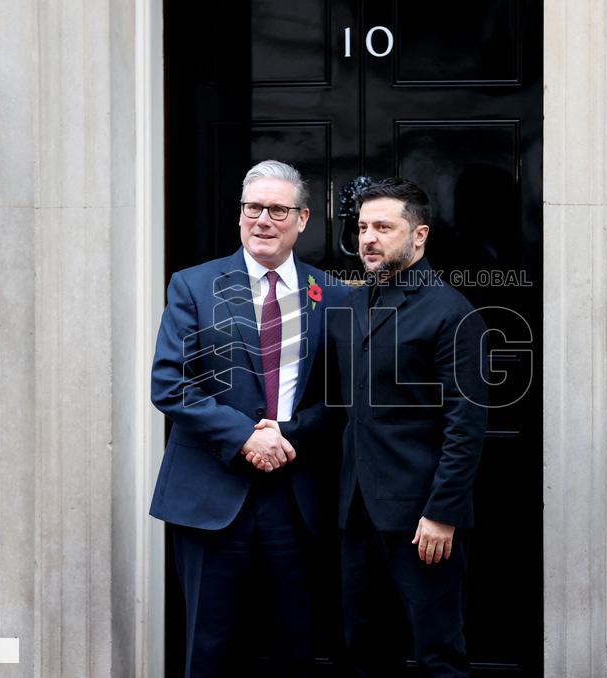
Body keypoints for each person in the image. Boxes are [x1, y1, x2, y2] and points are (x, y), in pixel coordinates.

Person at [149, 159, 348, 677]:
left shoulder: (335, 296)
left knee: (296, 648)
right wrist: (245, 438)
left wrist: (288, 437)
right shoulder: (193, 286)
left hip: (297, 496)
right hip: (211, 494)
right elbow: (171, 385)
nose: (263, 219)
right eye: (253, 208)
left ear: (303, 219)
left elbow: (343, 397)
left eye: (277, 209)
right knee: (209, 649)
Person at [332, 177, 489, 676]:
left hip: (423, 520)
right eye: (362, 227)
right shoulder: (351, 305)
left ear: (418, 236)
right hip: (356, 512)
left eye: (383, 226)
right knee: (364, 648)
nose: (368, 239)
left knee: (439, 654)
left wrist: (443, 512)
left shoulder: (451, 313)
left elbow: (465, 424)